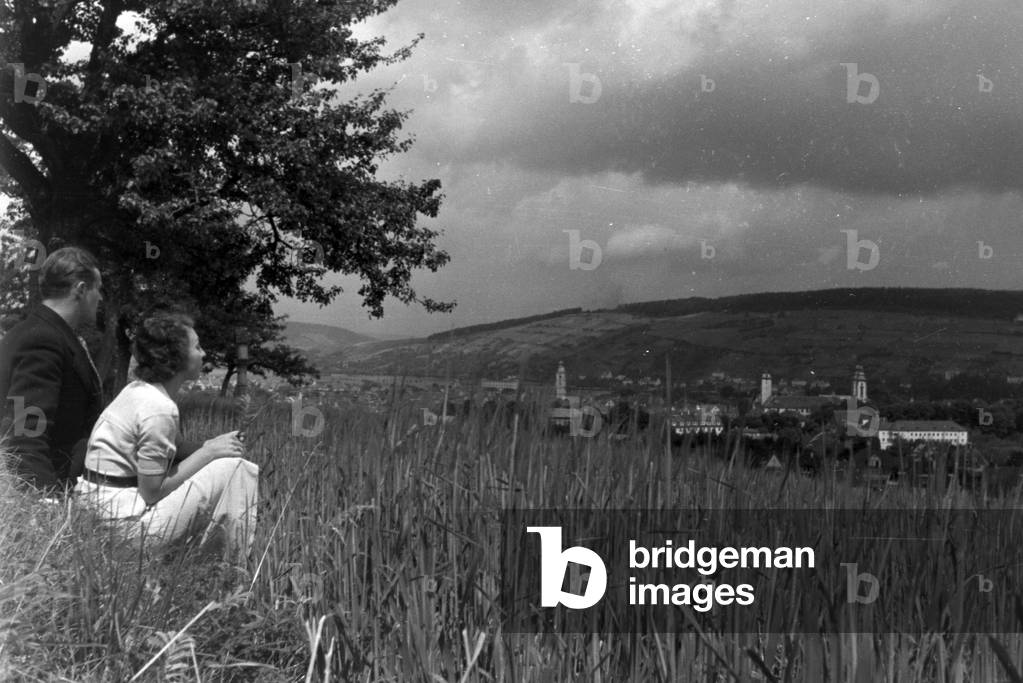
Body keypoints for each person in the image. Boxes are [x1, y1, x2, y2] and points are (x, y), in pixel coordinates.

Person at [74, 310, 259, 564]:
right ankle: (229, 565)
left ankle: (213, 560)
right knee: (235, 467)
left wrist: (211, 446)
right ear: (177, 358)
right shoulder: (159, 408)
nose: (203, 353)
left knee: (221, 462)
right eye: (197, 346)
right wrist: (210, 453)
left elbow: (175, 447)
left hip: (97, 515)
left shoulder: (137, 391)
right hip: (124, 531)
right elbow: (152, 491)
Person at [0, 247, 105, 496]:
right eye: (97, 289)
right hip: (55, 488)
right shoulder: (43, 340)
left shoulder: (41, 332)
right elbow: (26, 437)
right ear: (80, 289)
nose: (100, 298)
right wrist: (47, 503)